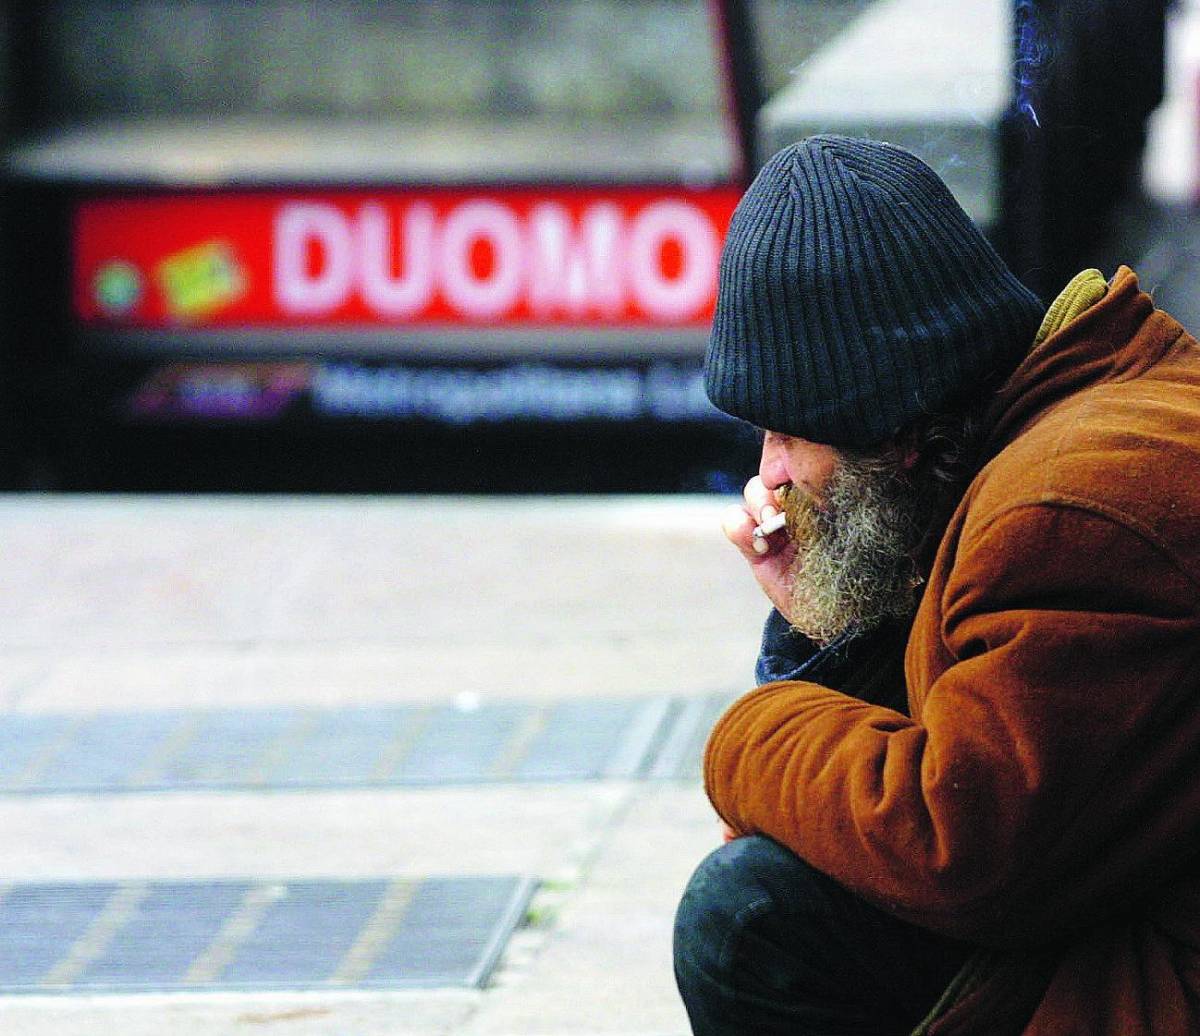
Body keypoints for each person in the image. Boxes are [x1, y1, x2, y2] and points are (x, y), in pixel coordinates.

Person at [673, 134, 1200, 1035]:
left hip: (1146, 977)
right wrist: (820, 620)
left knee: (750, 919)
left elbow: (960, 847)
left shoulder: (1066, 513)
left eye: (789, 433)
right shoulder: (1058, 429)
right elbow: (966, 702)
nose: (772, 471)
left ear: (898, 437)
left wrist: (743, 742)